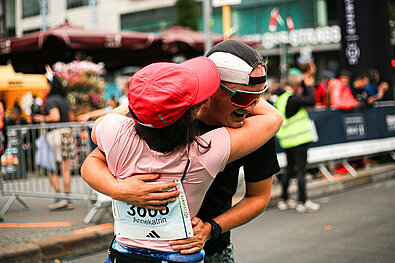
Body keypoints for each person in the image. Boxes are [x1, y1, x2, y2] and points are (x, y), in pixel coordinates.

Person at [81, 40, 281, 262]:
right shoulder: (207, 143)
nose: (252, 107)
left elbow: (258, 197)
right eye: (243, 97)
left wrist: (212, 228)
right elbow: (93, 162)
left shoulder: (254, 131)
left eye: (260, 95)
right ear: (212, 91)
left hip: (210, 246)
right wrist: (118, 189)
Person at [274, 73, 320, 213]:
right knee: (301, 171)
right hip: (299, 141)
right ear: (294, 85)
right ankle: (302, 202)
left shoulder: (280, 99)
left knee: (289, 170)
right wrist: (307, 85)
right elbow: (311, 101)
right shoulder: (292, 98)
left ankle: (284, 199)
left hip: (287, 141)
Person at [33, 74, 75, 210]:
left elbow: (54, 116)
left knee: (51, 166)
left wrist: (41, 118)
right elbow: (71, 117)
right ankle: (68, 198)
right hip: (66, 132)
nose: (46, 87)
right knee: (65, 167)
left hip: (55, 134)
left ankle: (58, 196)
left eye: (47, 84)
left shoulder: (50, 100)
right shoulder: (64, 100)